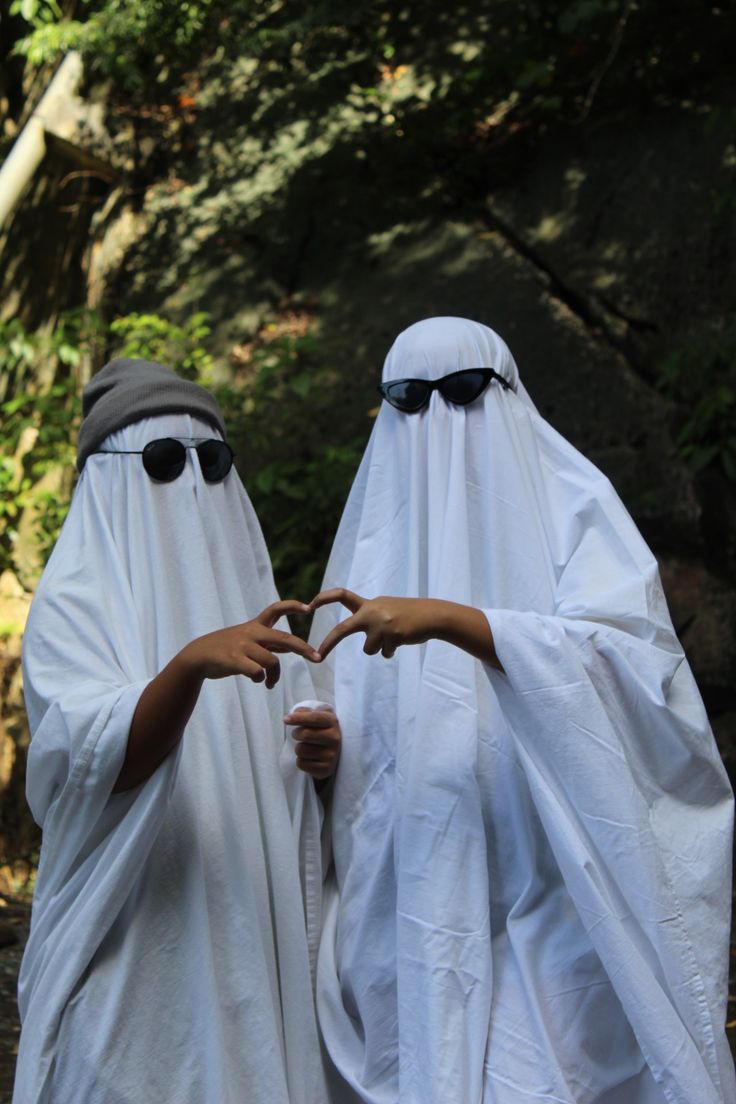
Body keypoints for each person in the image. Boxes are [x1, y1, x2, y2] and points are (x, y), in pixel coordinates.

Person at [308, 317, 736, 1104]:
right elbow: (349, 734)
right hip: (409, 906)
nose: (436, 418)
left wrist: (459, 622)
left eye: (462, 391)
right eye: (408, 398)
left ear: (505, 390)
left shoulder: (574, 507)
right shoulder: (369, 540)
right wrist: (323, 755)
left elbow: (639, 681)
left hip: (555, 900)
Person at [13, 359, 340, 1104]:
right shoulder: (72, 605)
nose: (193, 480)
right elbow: (87, 767)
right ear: (111, 477)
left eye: (213, 460)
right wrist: (187, 668)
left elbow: (285, 775)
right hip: (134, 954)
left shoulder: (254, 605)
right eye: (164, 462)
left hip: (250, 940)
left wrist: (320, 758)